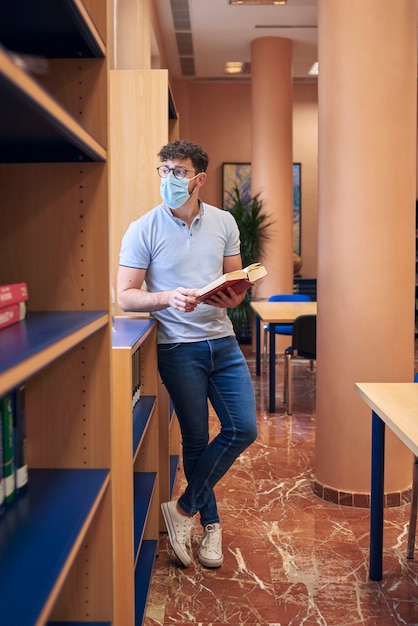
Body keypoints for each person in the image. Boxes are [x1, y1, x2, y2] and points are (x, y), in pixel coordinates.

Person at [117, 139, 258, 568]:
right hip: (178, 348)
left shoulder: (224, 222)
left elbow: (235, 281)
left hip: (224, 343)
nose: (169, 179)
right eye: (164, 171)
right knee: (196, 440)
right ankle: (210, 526)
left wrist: (232, 297)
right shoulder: (143, 228)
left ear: (198, 179)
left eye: (178, 172)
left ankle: (181, 511)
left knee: (243, 429)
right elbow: (125, 295)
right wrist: (166, 298)